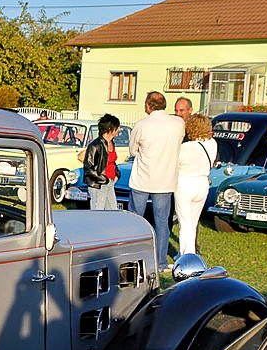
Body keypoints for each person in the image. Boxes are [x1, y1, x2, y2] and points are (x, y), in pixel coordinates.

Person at [128, 91, 185, 271]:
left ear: (148, 105)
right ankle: (160, 261)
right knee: (162, 223)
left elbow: (133, 150)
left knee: (136, 220)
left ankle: (134, 256)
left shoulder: (141, 125)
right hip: (165, 180)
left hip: (142, 178)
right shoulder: (178, 123)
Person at [174, 114, 216, 256]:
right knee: (193, 222)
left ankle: (185, 255)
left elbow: (176, 165)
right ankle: (190, 252)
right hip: (202, 183)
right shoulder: (213, 144)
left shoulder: (184, 147)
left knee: (184, 223)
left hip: (185, 183)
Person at [83, 114, 121, 210]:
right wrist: (103, 179)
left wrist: (117, 174)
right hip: (98, 184)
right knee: (98, 211)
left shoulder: (111, 143)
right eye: (117, 127)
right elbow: (88, 168)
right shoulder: (94, 146)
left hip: (110, 182)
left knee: (113, 210)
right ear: (110, 129)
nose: (119, 129)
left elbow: (111, 162)